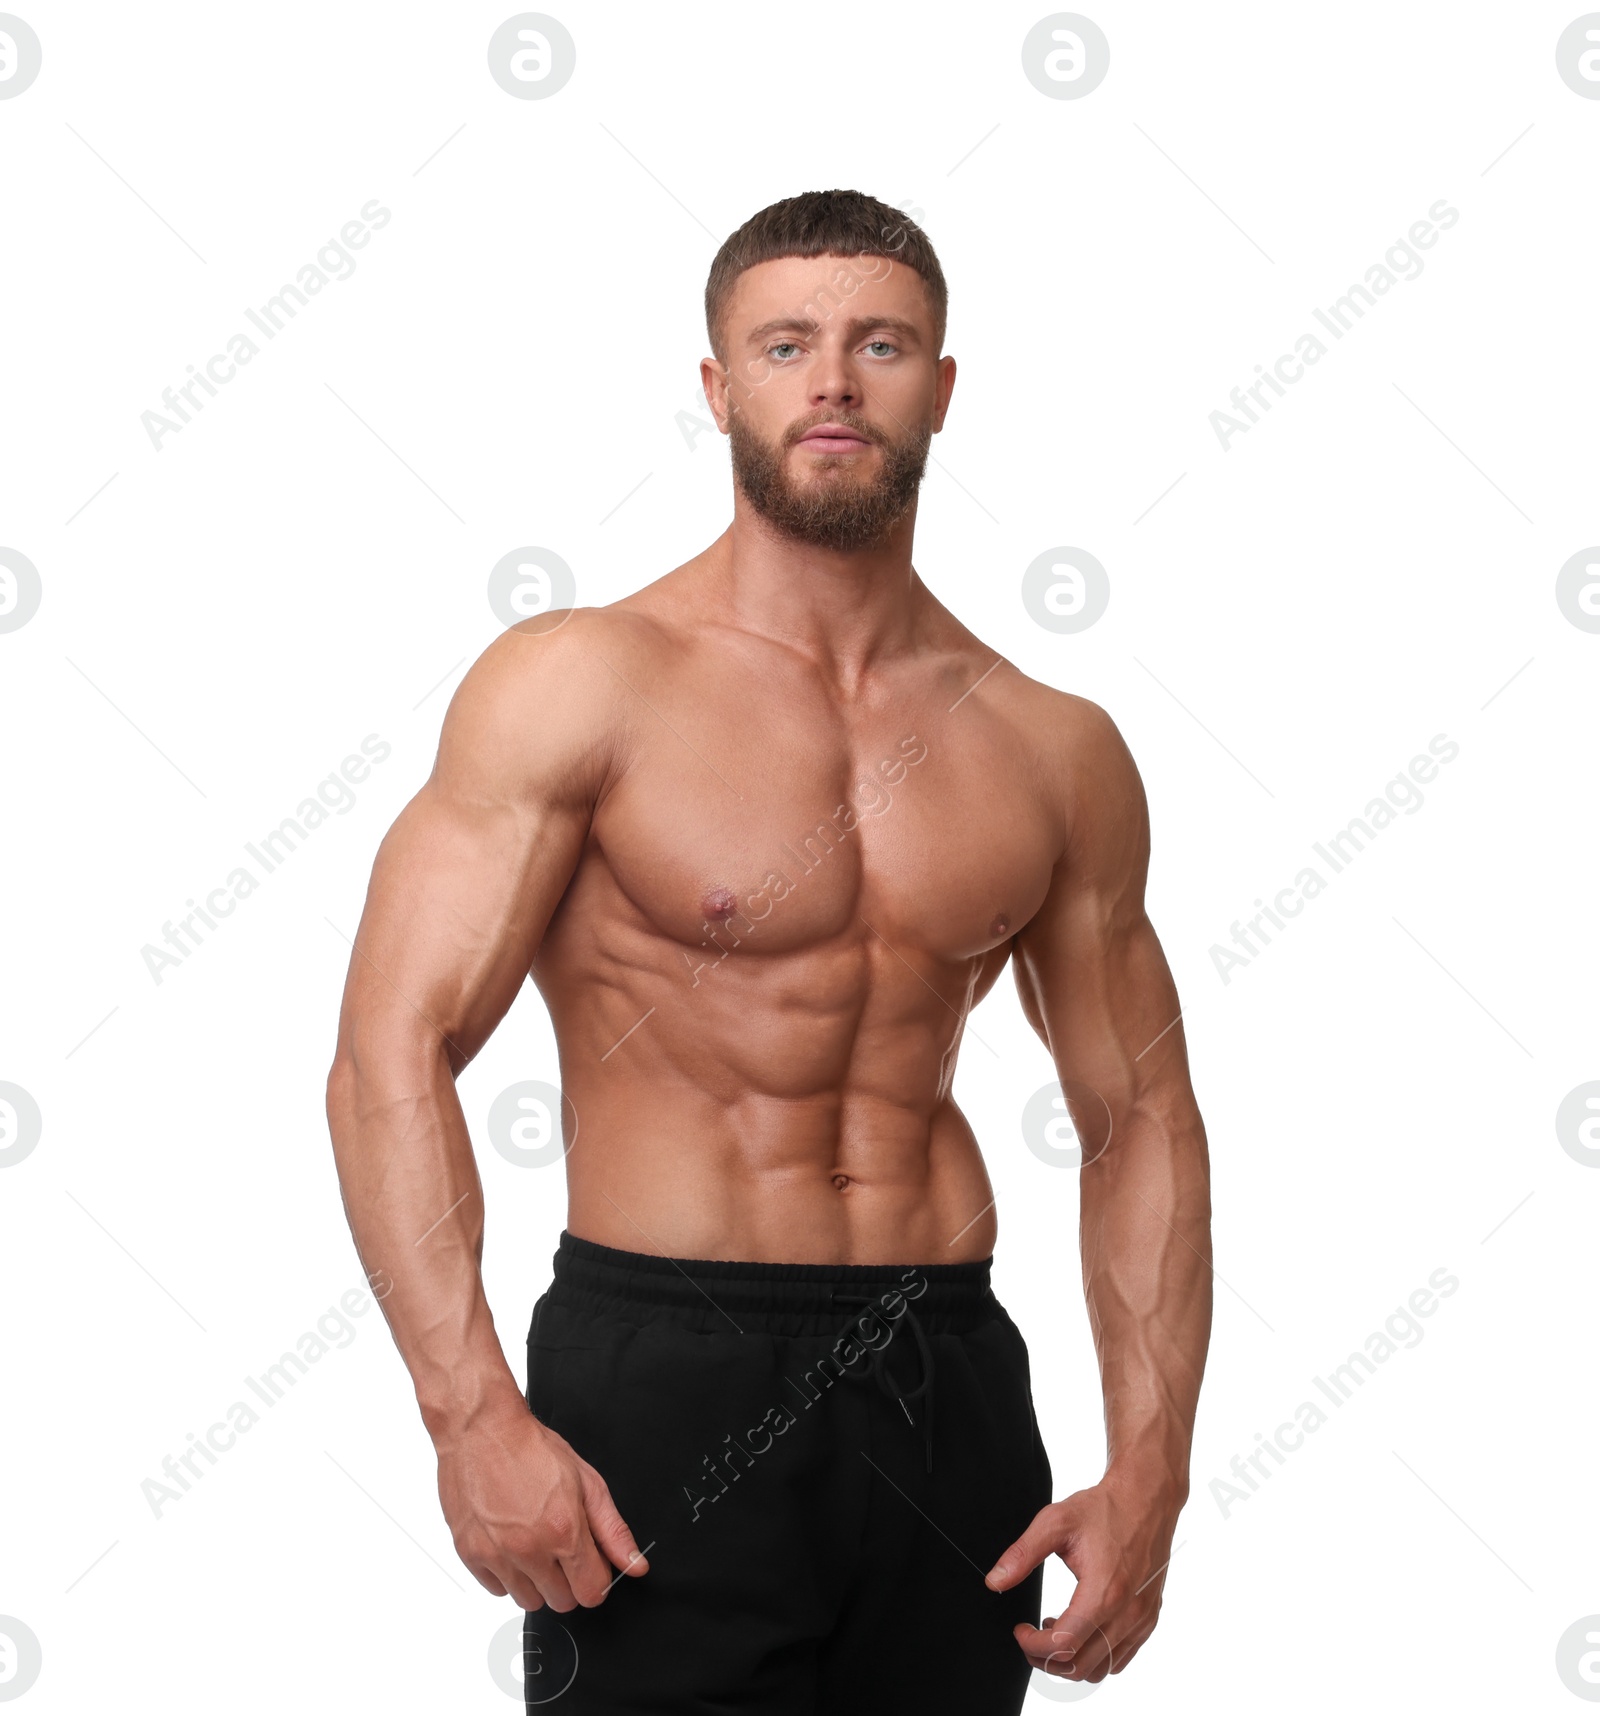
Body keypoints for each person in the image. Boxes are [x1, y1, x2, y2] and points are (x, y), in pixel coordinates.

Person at [326, 187, 1212, 1714]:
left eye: (881, 345)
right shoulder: (580, 682)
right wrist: (470, 1414)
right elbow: (388, 1053)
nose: (833, 382)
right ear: (718, 388)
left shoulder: (1052, 746)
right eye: (787, 343)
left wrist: (1155, 1469)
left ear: (941, 389)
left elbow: (1141, 1118)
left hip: (947, 1374)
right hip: (669, 1374)